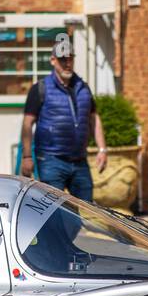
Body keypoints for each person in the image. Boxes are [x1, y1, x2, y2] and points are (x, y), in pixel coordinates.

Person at [19, 34, 107, 202]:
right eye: (62, 60)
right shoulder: (40, 88)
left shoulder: (83, 87)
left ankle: (70, 230)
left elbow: (94, 118)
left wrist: (102, 149)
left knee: (86, 208)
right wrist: (27, 157)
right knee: (54, 211)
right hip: (51, 160)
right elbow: (27, 123)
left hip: (79, 160)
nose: (67, 64)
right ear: (53, 60)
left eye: (70, 59)